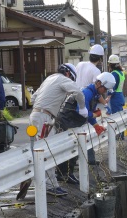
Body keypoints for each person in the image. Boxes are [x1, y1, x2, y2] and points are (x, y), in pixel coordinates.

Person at [29, 63, 88, 196]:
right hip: (45, 118)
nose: (71, 81)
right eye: (71, 79)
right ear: (68, 74)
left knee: (38, 151)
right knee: (48, 151)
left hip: (34, 116)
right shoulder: (63, 79)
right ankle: (50, 186)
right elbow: (78, 92)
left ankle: (42, 182)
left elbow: (33, 98)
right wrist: (83, 108)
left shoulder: (49, 79)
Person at [55, 72, 116, 183]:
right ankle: (63, 174)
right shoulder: (86, 93)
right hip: (66, 121)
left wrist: (96, 125)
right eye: (105, 89)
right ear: (99, 84)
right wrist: (95, 115)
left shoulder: (94, 94)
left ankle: (67, 173)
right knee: (68, 149)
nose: (105, 92)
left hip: (73, 122)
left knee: (74, 149)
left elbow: (89, 112)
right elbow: (82, 112)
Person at [75, 44, 109, 163]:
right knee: (86, 129)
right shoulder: (96, 70)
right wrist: (105, 103)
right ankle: (89, 159)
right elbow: (98, 90)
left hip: (75, 97)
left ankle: (83, 158)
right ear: (100, 59)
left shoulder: (80, 64)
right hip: (87, 99)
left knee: (79, 130)